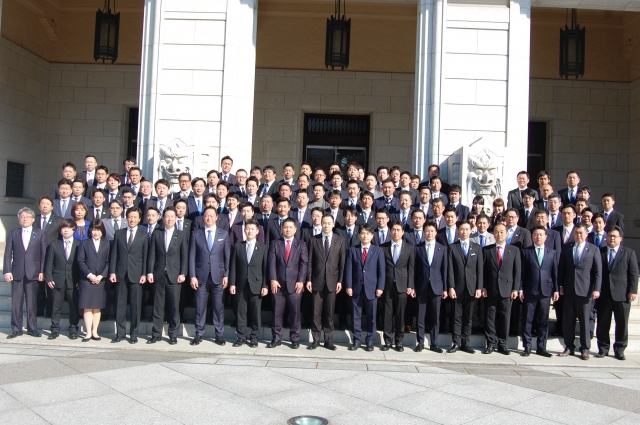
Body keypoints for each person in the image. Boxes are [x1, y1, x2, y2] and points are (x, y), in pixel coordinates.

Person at [558, 223, 602, 360]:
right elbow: (561, 269)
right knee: (568, 320)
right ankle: (569, 347)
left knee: (584, 321)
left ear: (586, 234)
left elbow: (598, 271)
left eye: (581, 233)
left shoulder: (593, 249)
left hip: (585, 291)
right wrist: (560, 286)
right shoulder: (567, 247)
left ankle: (585, 349)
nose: (578, 235)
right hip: (569, 290)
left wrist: (596, 288)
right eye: (576, 232)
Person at [595, 226, 639, 361]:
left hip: (622, 294)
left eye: (614, 236)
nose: (612, 238)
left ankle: (620, 349)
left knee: (622, 323)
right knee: (603, 323)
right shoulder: (600, 252)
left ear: (620, 238)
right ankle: (603, 348)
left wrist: (633, 290)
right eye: (609, 236)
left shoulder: (629, 253)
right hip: (604, 294)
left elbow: (633, 273)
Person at [146, 207, 189, 345]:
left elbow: (184, 256)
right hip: (159, 274)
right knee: (158, 306)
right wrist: (149, 272)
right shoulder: (157, 233)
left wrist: (183, 273)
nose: (170, 219)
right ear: (163, 218)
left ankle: (173, 334)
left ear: (176, 218)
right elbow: (152, 254)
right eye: (167, 216)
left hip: (174, 275)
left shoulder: (181, 235)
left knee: (174, 306)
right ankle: (156, 334)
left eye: (172, 216)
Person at [4, 207, 48, 338]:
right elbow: (7, 254)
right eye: (22, 217)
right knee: (16, 302)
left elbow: (44, 254)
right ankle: (16, 329)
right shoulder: (13, 233)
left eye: (27, 217)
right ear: (19, 219)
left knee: (32, 302)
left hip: (33, 272)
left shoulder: (40, 233)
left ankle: (32, 328)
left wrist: (42, 271)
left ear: (33, 219)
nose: (25, 219)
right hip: (17, 272)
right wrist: (7, 271)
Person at [189, 207, 231, 346]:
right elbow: (192, 256)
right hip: (200, 276)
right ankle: (199, 334)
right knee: (200, 307)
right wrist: (192, 276)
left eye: (211, 215)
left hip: (218, 276)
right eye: (206, 215)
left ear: (216, 217)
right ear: (203, 217)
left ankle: (219, 334)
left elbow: (227, 256)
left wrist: (226, 274)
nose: (209, 218)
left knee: (218, 307)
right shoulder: (196, 234)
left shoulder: (223, 234)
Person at [305, 214, 346, 351]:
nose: (326, 225)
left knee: (329, 312)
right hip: (316, 280)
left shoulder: (340, 240)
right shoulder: (313, 240)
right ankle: (316, 339)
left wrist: (340, 281)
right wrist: (308, 279)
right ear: (321, 224)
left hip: (332, 281)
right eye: (324, 223)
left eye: (329, 223)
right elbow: (309, 262)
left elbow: (342, 263)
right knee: (316, 312)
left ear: (333, 224)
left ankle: (328, 340)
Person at [109, 207, 148, 344]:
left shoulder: (144, 235)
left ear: (139, 219)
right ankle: (120, 333)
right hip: (120, 273)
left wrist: (144, 273)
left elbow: (146, 256)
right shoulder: (119, 233)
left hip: (137, 274)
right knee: (119, 305)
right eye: (130, 217)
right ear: (126, 218)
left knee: (135, 305)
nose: (132, 219)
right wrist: (112, 272)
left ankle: (133, 334)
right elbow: (114, 254)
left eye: (135, 217)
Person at [267, 218, 309, 349]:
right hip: (278, 285)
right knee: (277, 313)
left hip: (295, 284)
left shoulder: (301, 244)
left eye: (291, 227)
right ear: (281, 229)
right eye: (285, 227)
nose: (288, 229)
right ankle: (276, 337)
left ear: (295, 229)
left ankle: (295, 339)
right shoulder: (275, 243)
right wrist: (273, 279)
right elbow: (271, 263)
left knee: (295, 313)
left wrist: (301, 281)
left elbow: (304, 264)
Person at [481, 223, 521, 355]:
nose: (499, 234)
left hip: (507, 289)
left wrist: (515, 289)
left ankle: (502, 344)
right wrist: (483, 287)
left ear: (507, 233)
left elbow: (517, 271)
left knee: (505, 317)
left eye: (502, 232)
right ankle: (491, 343)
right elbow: (483, 271)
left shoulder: (514, 250)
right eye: (497, 232)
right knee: (490, 317)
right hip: (491, 289)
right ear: (493, 234)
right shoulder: (487, 250)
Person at [519, 226, 558, 357]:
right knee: (528, 320)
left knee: (543, 320)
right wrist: (520, 288)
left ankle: (542, 347)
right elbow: (522, 273)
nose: (538, 237)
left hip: (545, 291)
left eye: (541, 235)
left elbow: (555, 273)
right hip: (530, 290)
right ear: (532, 236)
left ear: (546, 236)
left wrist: (556, 290)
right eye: (535, 234)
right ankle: (527, 346)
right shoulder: (526, 252)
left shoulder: (552, 252)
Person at [345, 224, 385, 351]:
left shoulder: (378, 251)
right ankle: (356, 340)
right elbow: (349, 270)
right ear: (358, 235)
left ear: (372, 236)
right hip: (356, 288)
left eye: (368, 233)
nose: (365, 236)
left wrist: (380, 287)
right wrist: (348, 286)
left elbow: (381, 271)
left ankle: (370, 341)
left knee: (371, 317)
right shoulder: (353, 250)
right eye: (362, 233)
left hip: (372, 289)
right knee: (356, 316)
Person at [229, 219, 268, 348]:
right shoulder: (238, 246)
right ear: (244, 230)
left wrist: (265, 285)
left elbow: (265, 268)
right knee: (241, 312)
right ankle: (241, 337)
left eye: (252, 229)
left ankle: (254, 337)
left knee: (255, 313)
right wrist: (232, 283)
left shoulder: (263, 247)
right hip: (241, 284)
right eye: (247, 228)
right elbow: (233, 266)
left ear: (257, 231)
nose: (250, 231)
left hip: (256, 285)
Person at [447, 220, 483, 353]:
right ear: (458, 231)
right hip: (457, 287)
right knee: (456, 316)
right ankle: (456, 342)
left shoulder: (477, 247)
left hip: (472, 287)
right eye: (462, 229)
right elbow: (450, 269)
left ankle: (466, 343)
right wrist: (451, 286)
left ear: (471, 231)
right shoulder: (452, 247)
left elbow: (480, 269)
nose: (464, 232)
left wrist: (479, 287)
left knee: (468, 317)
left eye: (467, 229)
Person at [380, 221, 415, 352]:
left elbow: (411, 269)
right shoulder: (383, 247)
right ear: (390, 232)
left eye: (398, 230)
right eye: (393, 230)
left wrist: (410, 285)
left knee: (400, 315)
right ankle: (388, 341)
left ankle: (399, 342)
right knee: (387, 314)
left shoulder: (409, 248)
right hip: (387, 285)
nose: (395, 232)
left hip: (402, 285)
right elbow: (381, 268)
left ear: (403, 232)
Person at [414, 221, 447, 353]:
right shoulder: (418, 248)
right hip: (421, 287)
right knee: (420, 316)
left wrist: (445, 288)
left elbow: (445, 270)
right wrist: (413, 287)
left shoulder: (442, 249)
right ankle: (420, 342)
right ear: (424, 232)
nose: (429, 233)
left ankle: (434, 343)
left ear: (436, 232)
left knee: (435, 317)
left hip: (437, 287)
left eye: (432, 231)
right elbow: (414, 270)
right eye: (427, 231)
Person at [44, 219, 80, 340]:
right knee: (56, 306)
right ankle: (54, 329)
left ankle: (73, 329)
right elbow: (49, 263)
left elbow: (80, 265)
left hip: (73, 281)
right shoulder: (54, 244)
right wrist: (49, 278)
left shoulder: (79, 245)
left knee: (73, 306)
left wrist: (79, 280)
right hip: (57, 280)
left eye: (68, 228)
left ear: (73, 230)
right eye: (63, 228)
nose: (65, 230)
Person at [77, 220, 111, 342]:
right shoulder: (84, 243)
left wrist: (101, 276)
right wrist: (90, 275)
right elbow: (80, 261)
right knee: (87, 307)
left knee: (97, 307)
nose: (96, 232)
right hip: (87, 280)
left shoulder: (107, 243)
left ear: (102, 231)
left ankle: (95, 331)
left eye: (98, 230)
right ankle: (87, 332)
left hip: (100, 280)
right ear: (90, 230)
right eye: (94, 230)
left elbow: (109, 262)